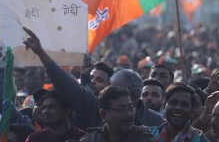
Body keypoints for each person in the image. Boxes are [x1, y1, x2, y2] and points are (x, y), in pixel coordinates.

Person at [21, 26, 164, 129]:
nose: (109, 93)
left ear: (133, 96)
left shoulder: (155, 122)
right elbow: (67, 85)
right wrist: (42, 54)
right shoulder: (96, 107)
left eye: (116, 91)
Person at [79, 86, 153, 142]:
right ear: (103, 114)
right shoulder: (90, 139)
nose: (129, 114)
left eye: (131, 108)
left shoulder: (142, 139)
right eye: (121, 109)